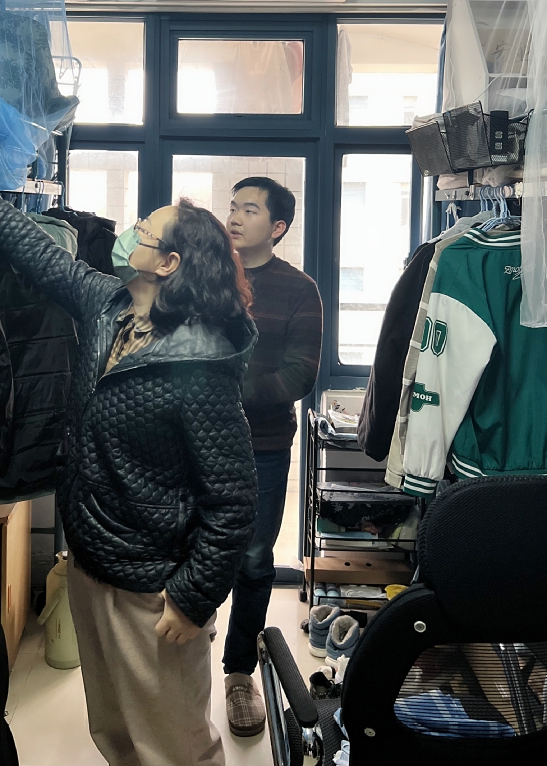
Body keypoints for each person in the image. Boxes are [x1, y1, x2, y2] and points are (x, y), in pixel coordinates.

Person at [0, 149, 258, 766]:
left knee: (173, 746)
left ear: (168, 264)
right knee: (114, 730)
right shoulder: (111, 306)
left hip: (151, 586)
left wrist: (192, 598)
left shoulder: (198, 363)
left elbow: (233, 501)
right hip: (90, 562)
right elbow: (44, 257)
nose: (128, 233)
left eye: (143, 230)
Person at [222, 176, 323, 737]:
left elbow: (300, 374)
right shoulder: (207, 274)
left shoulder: (299, 289)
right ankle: (183, 650)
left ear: (278, 227)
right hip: (191, 441)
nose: (235, 217)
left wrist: (224, 394)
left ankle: (239, 672)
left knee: (255, 558)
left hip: (262, 447)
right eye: (233, 207)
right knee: (186, 546)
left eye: (250, 209)